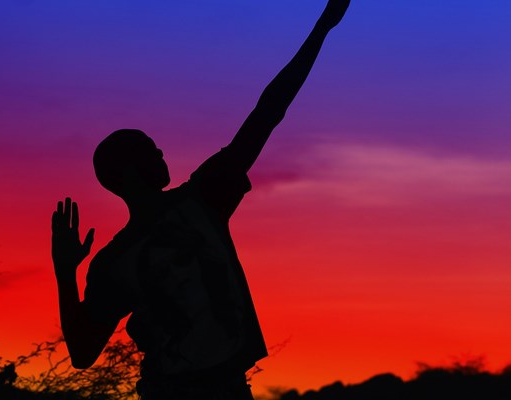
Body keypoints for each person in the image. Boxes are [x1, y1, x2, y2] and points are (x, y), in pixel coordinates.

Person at [51, 1, 350, 398]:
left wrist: (321, 30)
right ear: (127, 173)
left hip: (229, 389)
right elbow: (82, 352)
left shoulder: (203, 198)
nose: (160, 153)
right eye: (149, 150)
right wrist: (64, 271)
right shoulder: (123, 256)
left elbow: (267, 112)